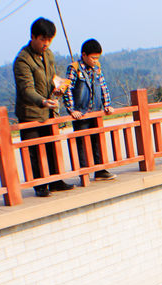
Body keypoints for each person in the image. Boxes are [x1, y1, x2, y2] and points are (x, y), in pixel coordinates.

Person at [13, 17, 74, 197]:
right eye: (43, 40)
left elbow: (51, 77)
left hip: (49, 109)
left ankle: (56, 181)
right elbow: (26, 89)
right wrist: (42, 101)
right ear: (33, 37)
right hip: (31, 113)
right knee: (34, 150)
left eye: (49, 40)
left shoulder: (49, 55)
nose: (46, 43)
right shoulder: (22, 60)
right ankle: (39, 185)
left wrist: (59, 86)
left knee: (51, 146)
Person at [64, 38, 115, 181]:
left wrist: (107, 104)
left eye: (97, 58)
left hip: (96, 110)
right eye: (92, 58)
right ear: (84, 55)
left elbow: (103, 86)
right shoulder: (74, 68)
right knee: (82, 143)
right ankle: (84, 173)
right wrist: (71, 109)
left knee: (97, 140)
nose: (94, 60)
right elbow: (68, 89)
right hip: (81, 113)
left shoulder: (97, 67)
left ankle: (100, 170)